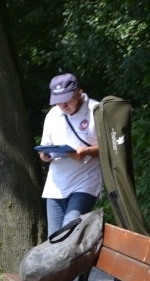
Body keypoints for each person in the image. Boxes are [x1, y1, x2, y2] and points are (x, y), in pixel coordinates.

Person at [38, 73, 101, 236]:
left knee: (69, 232)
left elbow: (112, 147)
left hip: (85, 182)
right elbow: (46, 147)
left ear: (79, 93)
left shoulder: (96, 111)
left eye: (67, 100)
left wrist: (87, 151)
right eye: (58, 102)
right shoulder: (52, 115)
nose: (63, 105)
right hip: (56, 185)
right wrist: (45, 155)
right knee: (53, 240)